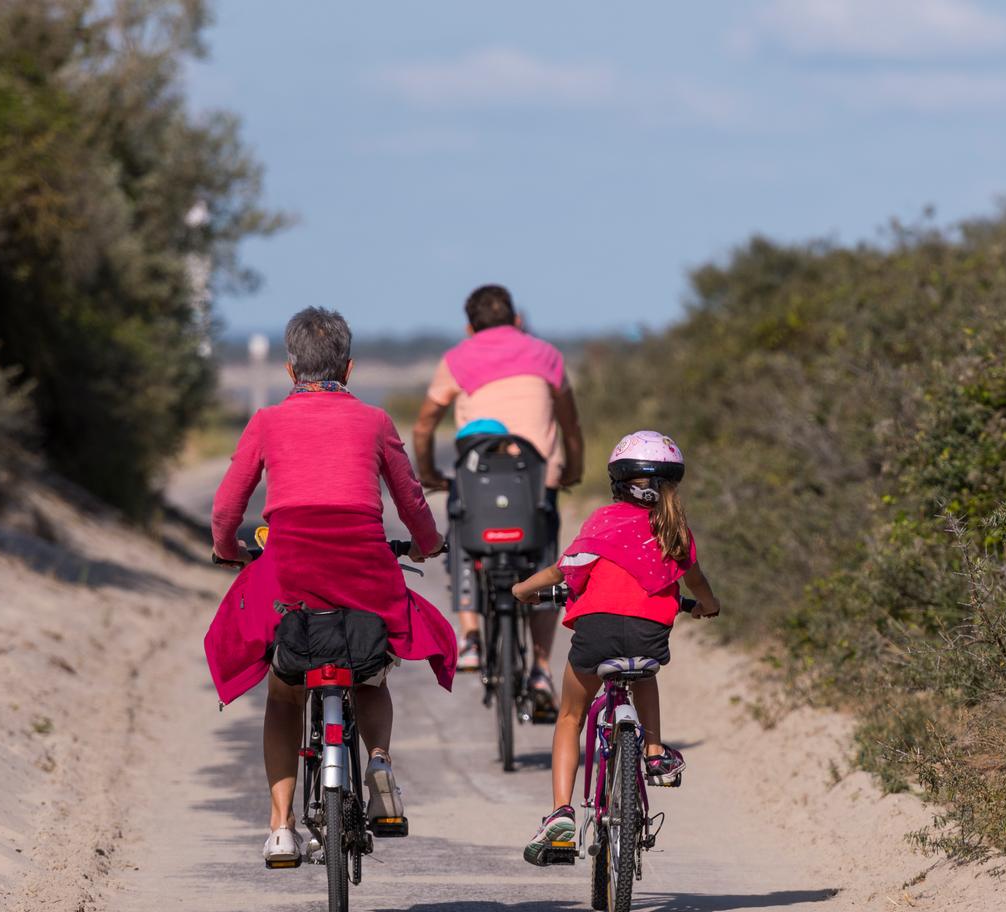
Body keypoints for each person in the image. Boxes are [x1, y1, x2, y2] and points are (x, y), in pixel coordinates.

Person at [204, 306, 455, 868]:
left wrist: (228, 551)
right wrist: (427, 545)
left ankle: (280, 829)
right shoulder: (375, 421)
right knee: (371, 670)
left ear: (292, 372)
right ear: (349, 366)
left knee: (284, 690)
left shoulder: (266, 421)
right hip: (363, 566)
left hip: (291, 565)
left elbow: (227, 509)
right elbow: (411, 501)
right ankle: (381, 761)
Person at [509, 431, 720, 866]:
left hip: (596, 636)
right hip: (648, 637)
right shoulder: (675, 531)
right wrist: (708, 605)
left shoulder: (602, 520)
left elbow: (563, 570)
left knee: (570, 716)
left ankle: (560, 814)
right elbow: (695, 581)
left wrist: (523, 590)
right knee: (644, 670)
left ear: (618, 480)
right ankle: (655, 753)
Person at [412, 285, 584, 711]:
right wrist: (573, 470)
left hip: (477, 486)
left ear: (469, 327)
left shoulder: (457, 359)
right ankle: (541, 669)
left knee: (463, 539)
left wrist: (431, 473)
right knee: (544, 565)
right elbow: (571, 426)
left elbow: (422, 427)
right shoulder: (546, 356)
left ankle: (470, 638)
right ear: (518, 321)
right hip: (536, 487)